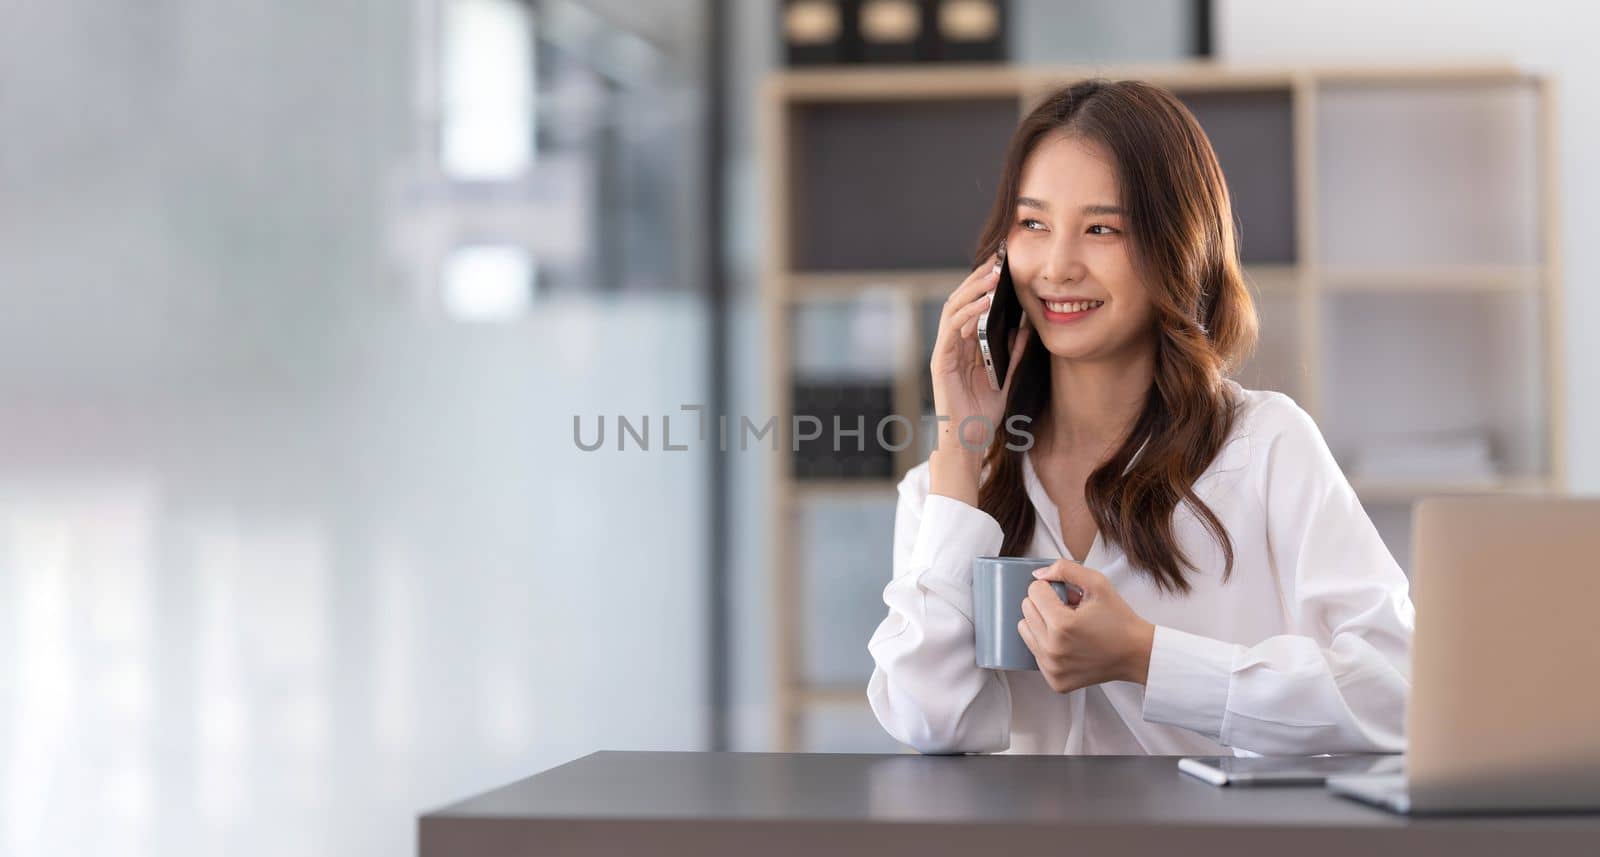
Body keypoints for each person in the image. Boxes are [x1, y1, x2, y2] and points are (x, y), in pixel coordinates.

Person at [865, 79, 1415, 756]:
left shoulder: (1265, 446)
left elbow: (1400, 694)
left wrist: (1147, 657)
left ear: (1177, 246)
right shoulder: (944, 485)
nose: (1058, 267)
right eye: (1033, 224)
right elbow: (929, 722)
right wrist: (959, 449)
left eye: (1102, 229)